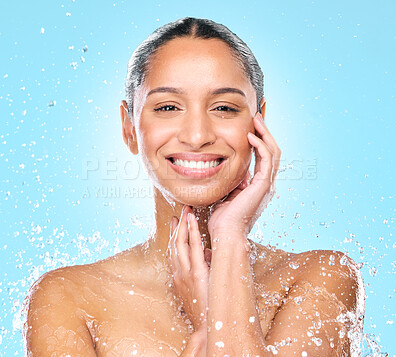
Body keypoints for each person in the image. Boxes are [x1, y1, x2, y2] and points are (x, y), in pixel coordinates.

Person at [23, 17, 364, 356]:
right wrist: (205, 330)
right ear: (128, 128)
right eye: (168, 107)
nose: (198, 135)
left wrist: (229, 239)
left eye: (224, 108)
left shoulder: (320, 279)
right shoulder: (68, 298)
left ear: (260, 122)